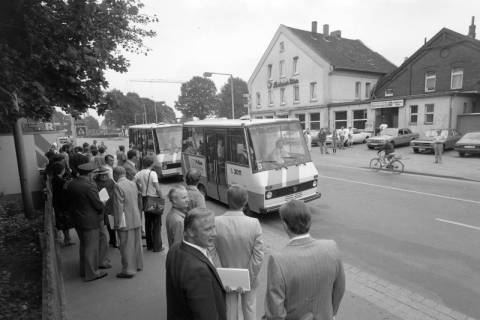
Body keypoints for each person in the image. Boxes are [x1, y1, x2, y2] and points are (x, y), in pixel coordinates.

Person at [264, 200, 345, 319]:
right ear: (309, 221)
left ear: (285, 226)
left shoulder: (278, 260)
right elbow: (340, 288)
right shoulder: (331, 247)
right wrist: (330, 313)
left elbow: (275, 311)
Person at [166, 208, 226, 320]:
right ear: (190, 232)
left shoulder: (174, 249)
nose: (215, 233)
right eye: (208, 229)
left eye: (214, 227)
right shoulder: (198, 270)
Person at [215, 185, 264, 320]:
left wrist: (222, 276)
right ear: (245, 201)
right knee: (249, 308)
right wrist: (248, 278)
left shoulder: (216, 222)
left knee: (230, 309)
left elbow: (211, 252)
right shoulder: (254, 223)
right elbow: (259, 256)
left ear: (228, 200)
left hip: (226, 277)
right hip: (250, 277)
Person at [66, 162, 107, 282]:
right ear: (89, 174)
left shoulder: (72, 183)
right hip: (90, 220)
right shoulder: (89, 185)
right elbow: (98, 205)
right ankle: (92, 273)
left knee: (84, 245)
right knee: (91, 247)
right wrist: (103, 203)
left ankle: (84, 270)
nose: (94, 175)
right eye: (93, 173)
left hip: (78, 219)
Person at [112, 166, 143, 278]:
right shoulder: (132, 183)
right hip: (136, 217)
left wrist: (116, 223)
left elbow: (118, 207)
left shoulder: (117, 186)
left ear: (115, 175)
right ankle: (138, 265)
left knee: (126, 246)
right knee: (136, 244)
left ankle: (128, 270)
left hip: (125, 220)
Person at [135, 156, 164, 252]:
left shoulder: (138, 174)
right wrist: (162, 198)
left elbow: (135, 185)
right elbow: (157, 188)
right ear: (152, 164)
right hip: (154, 199)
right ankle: (157, 246)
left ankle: (149, 245)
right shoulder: (153, 173)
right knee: (156, 223)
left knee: (148, 223)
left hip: (144, 199)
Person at [93, 166, 114, 269]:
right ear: (99, 175)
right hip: (102, 206)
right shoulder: (96, 183)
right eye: (102, 174)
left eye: (105, 174)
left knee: (111, 223)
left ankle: (113, 240)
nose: (104, 175)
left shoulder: (110, 181)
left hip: (110, 205)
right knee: (105, 224)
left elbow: (114, 190)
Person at [51, 162, 75, 246]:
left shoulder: (55, 179)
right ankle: (67, 239)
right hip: (63, 204)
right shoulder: (60, 181)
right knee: (65, 223)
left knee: (64, 223)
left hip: (58, 203)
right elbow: (64, 191)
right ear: (61, 170)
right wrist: (68, 183)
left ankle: (67, 239)